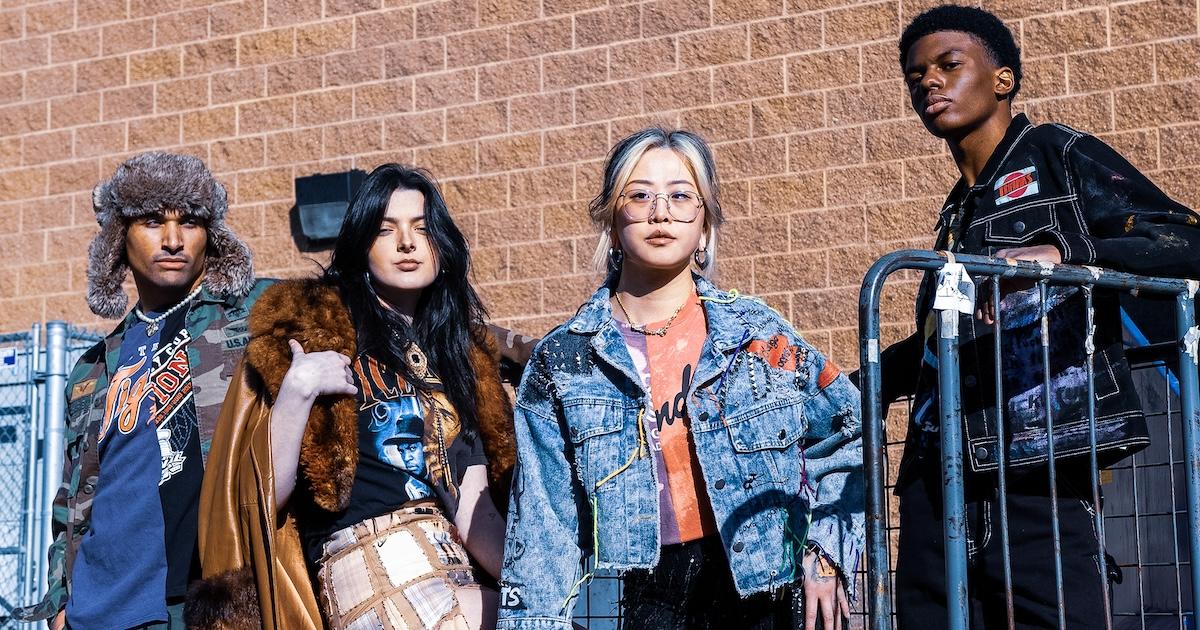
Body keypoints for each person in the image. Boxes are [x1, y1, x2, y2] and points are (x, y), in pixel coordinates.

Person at [882, 5, 1200, 628]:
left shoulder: (1057, 155)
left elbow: (1187, 241)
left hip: (1038, 464)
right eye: (915, 76)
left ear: (1003, 79)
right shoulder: (957, 213)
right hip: (935, 472)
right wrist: (851, 376)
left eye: (949, 65)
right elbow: (944, 342)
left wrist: (1070, 255)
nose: (930, 83)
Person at [497, 127, 865, 630]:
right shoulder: (566, 360)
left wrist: (826, 553)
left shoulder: (758, 337)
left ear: (705, 223)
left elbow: (852, 429)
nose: (660, 211)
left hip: (765, 594)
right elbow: (543, 525)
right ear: (611, 218)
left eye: (680, 196)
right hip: (638, 600)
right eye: (640, 194)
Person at [186, 164, 516, 630]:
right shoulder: (317, 332)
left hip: (451, 560)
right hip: (368, 561)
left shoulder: (458, 357)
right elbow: (262, 497)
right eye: (386, 230)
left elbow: (472, 507)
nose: (407, 242)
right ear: (362, 245)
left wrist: (533, 585)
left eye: (421, 228)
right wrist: (298, 390)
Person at [13, 152, 268, 629]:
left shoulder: (256, 316)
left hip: (207, 600)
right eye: (152, 221)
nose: (173, 239)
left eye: (190, 221)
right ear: (119, 239)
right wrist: (60, 601)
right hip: (99, 609)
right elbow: (71, 499)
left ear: (211, 236)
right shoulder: (92, 367)